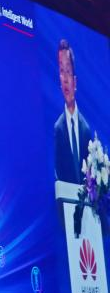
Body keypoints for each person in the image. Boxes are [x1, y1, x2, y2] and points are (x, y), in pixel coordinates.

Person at [54, 39, 92, 185]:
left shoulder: (86, 129)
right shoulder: (58, 128)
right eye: (61, 71)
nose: (65, 79)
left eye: (68, 71)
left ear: (75, 82)